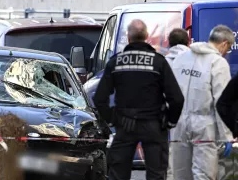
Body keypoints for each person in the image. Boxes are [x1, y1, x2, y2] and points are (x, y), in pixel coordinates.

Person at [93, 19, 184, 180]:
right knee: (157, 174)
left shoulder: (116, 62)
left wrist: (113, 118)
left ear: (128, 37)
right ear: (147, 36)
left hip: (125, 124)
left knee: (118, 173)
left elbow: (99, 98)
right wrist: (169, 122)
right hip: (154, 124)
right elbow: (176, 98)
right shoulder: (158, 62)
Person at [170, 24, 235, 180]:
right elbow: (222, 101)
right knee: (204, 174)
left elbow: (170, 92)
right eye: (229, 48)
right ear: (224, 44)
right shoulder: (218, 63)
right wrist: (227, 136)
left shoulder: (181, 58)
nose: (227, 53)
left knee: (180, 173)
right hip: (205, 126)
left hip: (179, 124)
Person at [165, 28, 190, 180]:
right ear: (188, 42)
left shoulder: (164, 62)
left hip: (170, 114)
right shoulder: (194, 61)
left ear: (169, 43)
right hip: (194, 113)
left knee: (172, 157)